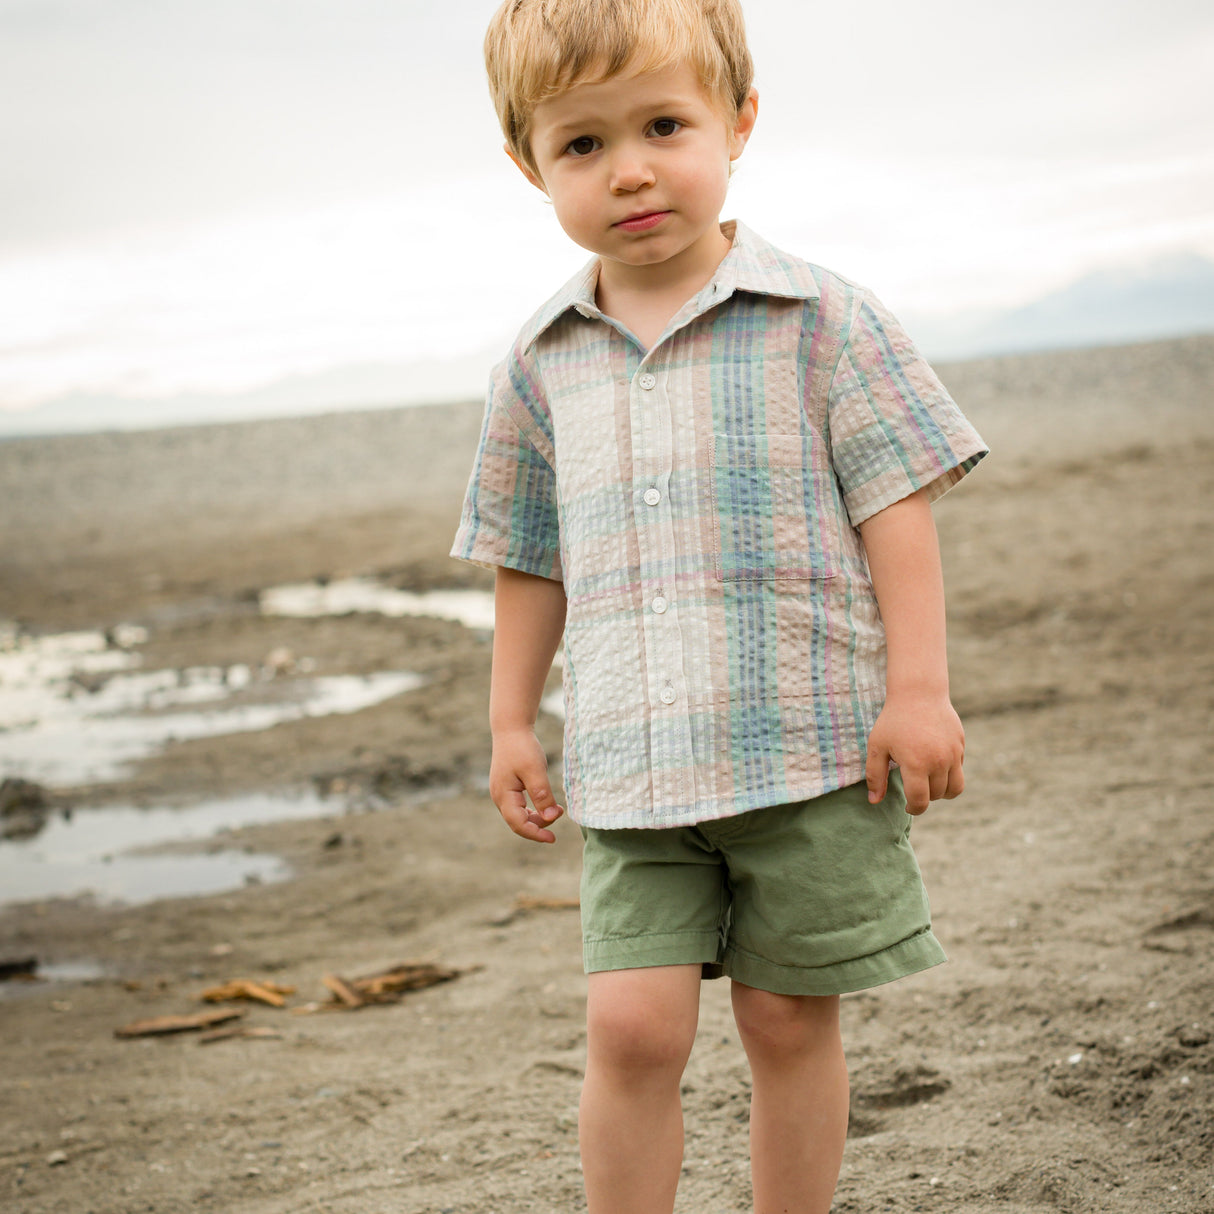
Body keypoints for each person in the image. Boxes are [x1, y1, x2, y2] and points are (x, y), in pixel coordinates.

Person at [451, 2, 987, 1210]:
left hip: (809, 753)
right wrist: (509, 722)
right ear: (527, 164)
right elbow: (526, 557)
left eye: (661, 125)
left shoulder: (821, 319)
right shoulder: (538, 363)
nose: (629, 169)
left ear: (737, 122)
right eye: (580, 145)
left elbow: (896, 507)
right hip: (633, 765)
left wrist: (917, 691)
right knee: (632, 1030)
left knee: (788, 1020)